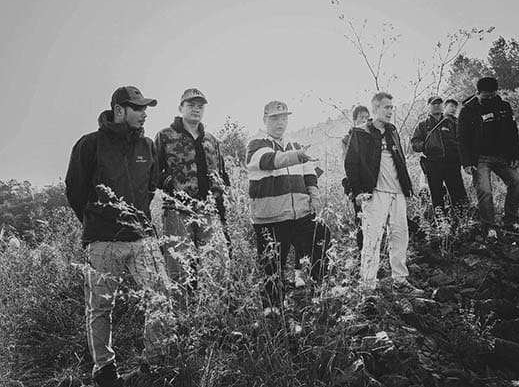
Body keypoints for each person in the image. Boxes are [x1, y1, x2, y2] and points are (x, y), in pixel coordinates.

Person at [65, 86, 171, 387]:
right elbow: (75, 190)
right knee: (100, 307)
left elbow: (150, 188)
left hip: (142, 238)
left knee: (161, 296)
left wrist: (141, 221)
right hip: (103, 241)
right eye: (137, 108)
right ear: (119, 110)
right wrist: (95, 224)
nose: (144, 113)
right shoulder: (90, 144)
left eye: (145, 108)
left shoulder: (147, 146)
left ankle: (153, 365)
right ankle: (105, 372)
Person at [246, 100, 331, 314]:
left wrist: (314, 194)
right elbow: (270, 161)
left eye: (284, 118)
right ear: (264, 120)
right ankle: (273, 310)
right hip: (271, 218)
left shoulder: (295, 145)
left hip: (300, 215)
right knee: (272, 265)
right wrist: (299, 156)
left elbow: (309, 172)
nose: (280, 122)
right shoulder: (256, 145)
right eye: (275, 118)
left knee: (322, 237)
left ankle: (319, 293)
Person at [344, 92, 424, 295]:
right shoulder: (361, 132)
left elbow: (400, 161)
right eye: (386, 107)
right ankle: (368, 285)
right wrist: (357, 191)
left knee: (400, 235)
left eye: (391, 107)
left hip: (397, 191)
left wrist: (407, 187)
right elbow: (351, 163)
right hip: (374, 192)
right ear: (375, 108)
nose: (390, 111)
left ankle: (400, 279)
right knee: (372, 237)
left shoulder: (392, 130)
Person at [154, 88, 230, 281]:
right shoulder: (165, 136)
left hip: (209, 211)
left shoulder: (211, 140)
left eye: (200, 106)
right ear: (181, 108)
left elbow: (221, 175)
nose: (196, 109)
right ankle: (183, 302)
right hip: (177, 211)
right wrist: (168, 182)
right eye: (191, 105)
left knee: (218, 267)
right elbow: (152, 172)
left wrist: (221, 207)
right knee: (180, 270)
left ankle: (213, 302)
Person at [458, 77, 519, 241]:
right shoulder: (468, 110)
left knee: (518, 183)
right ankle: (489, 226)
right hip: (480, 158)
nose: (490, 98)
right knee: (485, 190)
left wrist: (516, 155)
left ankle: (511, 220)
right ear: (478, 93)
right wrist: (467, 162)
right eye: (486, 96)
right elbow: (462, 138)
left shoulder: (504, 106)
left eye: (493, 95)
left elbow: (513, 131)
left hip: (503, 155)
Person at [411, 97, 468, 217]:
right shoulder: (422, 125)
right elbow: (415, 143)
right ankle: (440, 221)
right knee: (436, 195)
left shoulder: (451, 122)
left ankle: (462, 219)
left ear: (442, 106)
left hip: (452, 164)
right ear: (428, 106)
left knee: (458, 194)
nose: (436, 106)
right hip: (433, 165)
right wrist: (425, 146)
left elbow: (461, 140)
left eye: (439, 103)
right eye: (433, 104)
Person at [341, 105, 370, 250]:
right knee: (360, 217)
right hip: (357, 183)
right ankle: (362, 249)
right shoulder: (348, 139)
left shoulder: (372, 136)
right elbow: (348, 164)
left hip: (372, 183)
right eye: (361, 118)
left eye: (367, 118)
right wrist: (353, 188)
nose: (365, 121)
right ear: (354, 120)